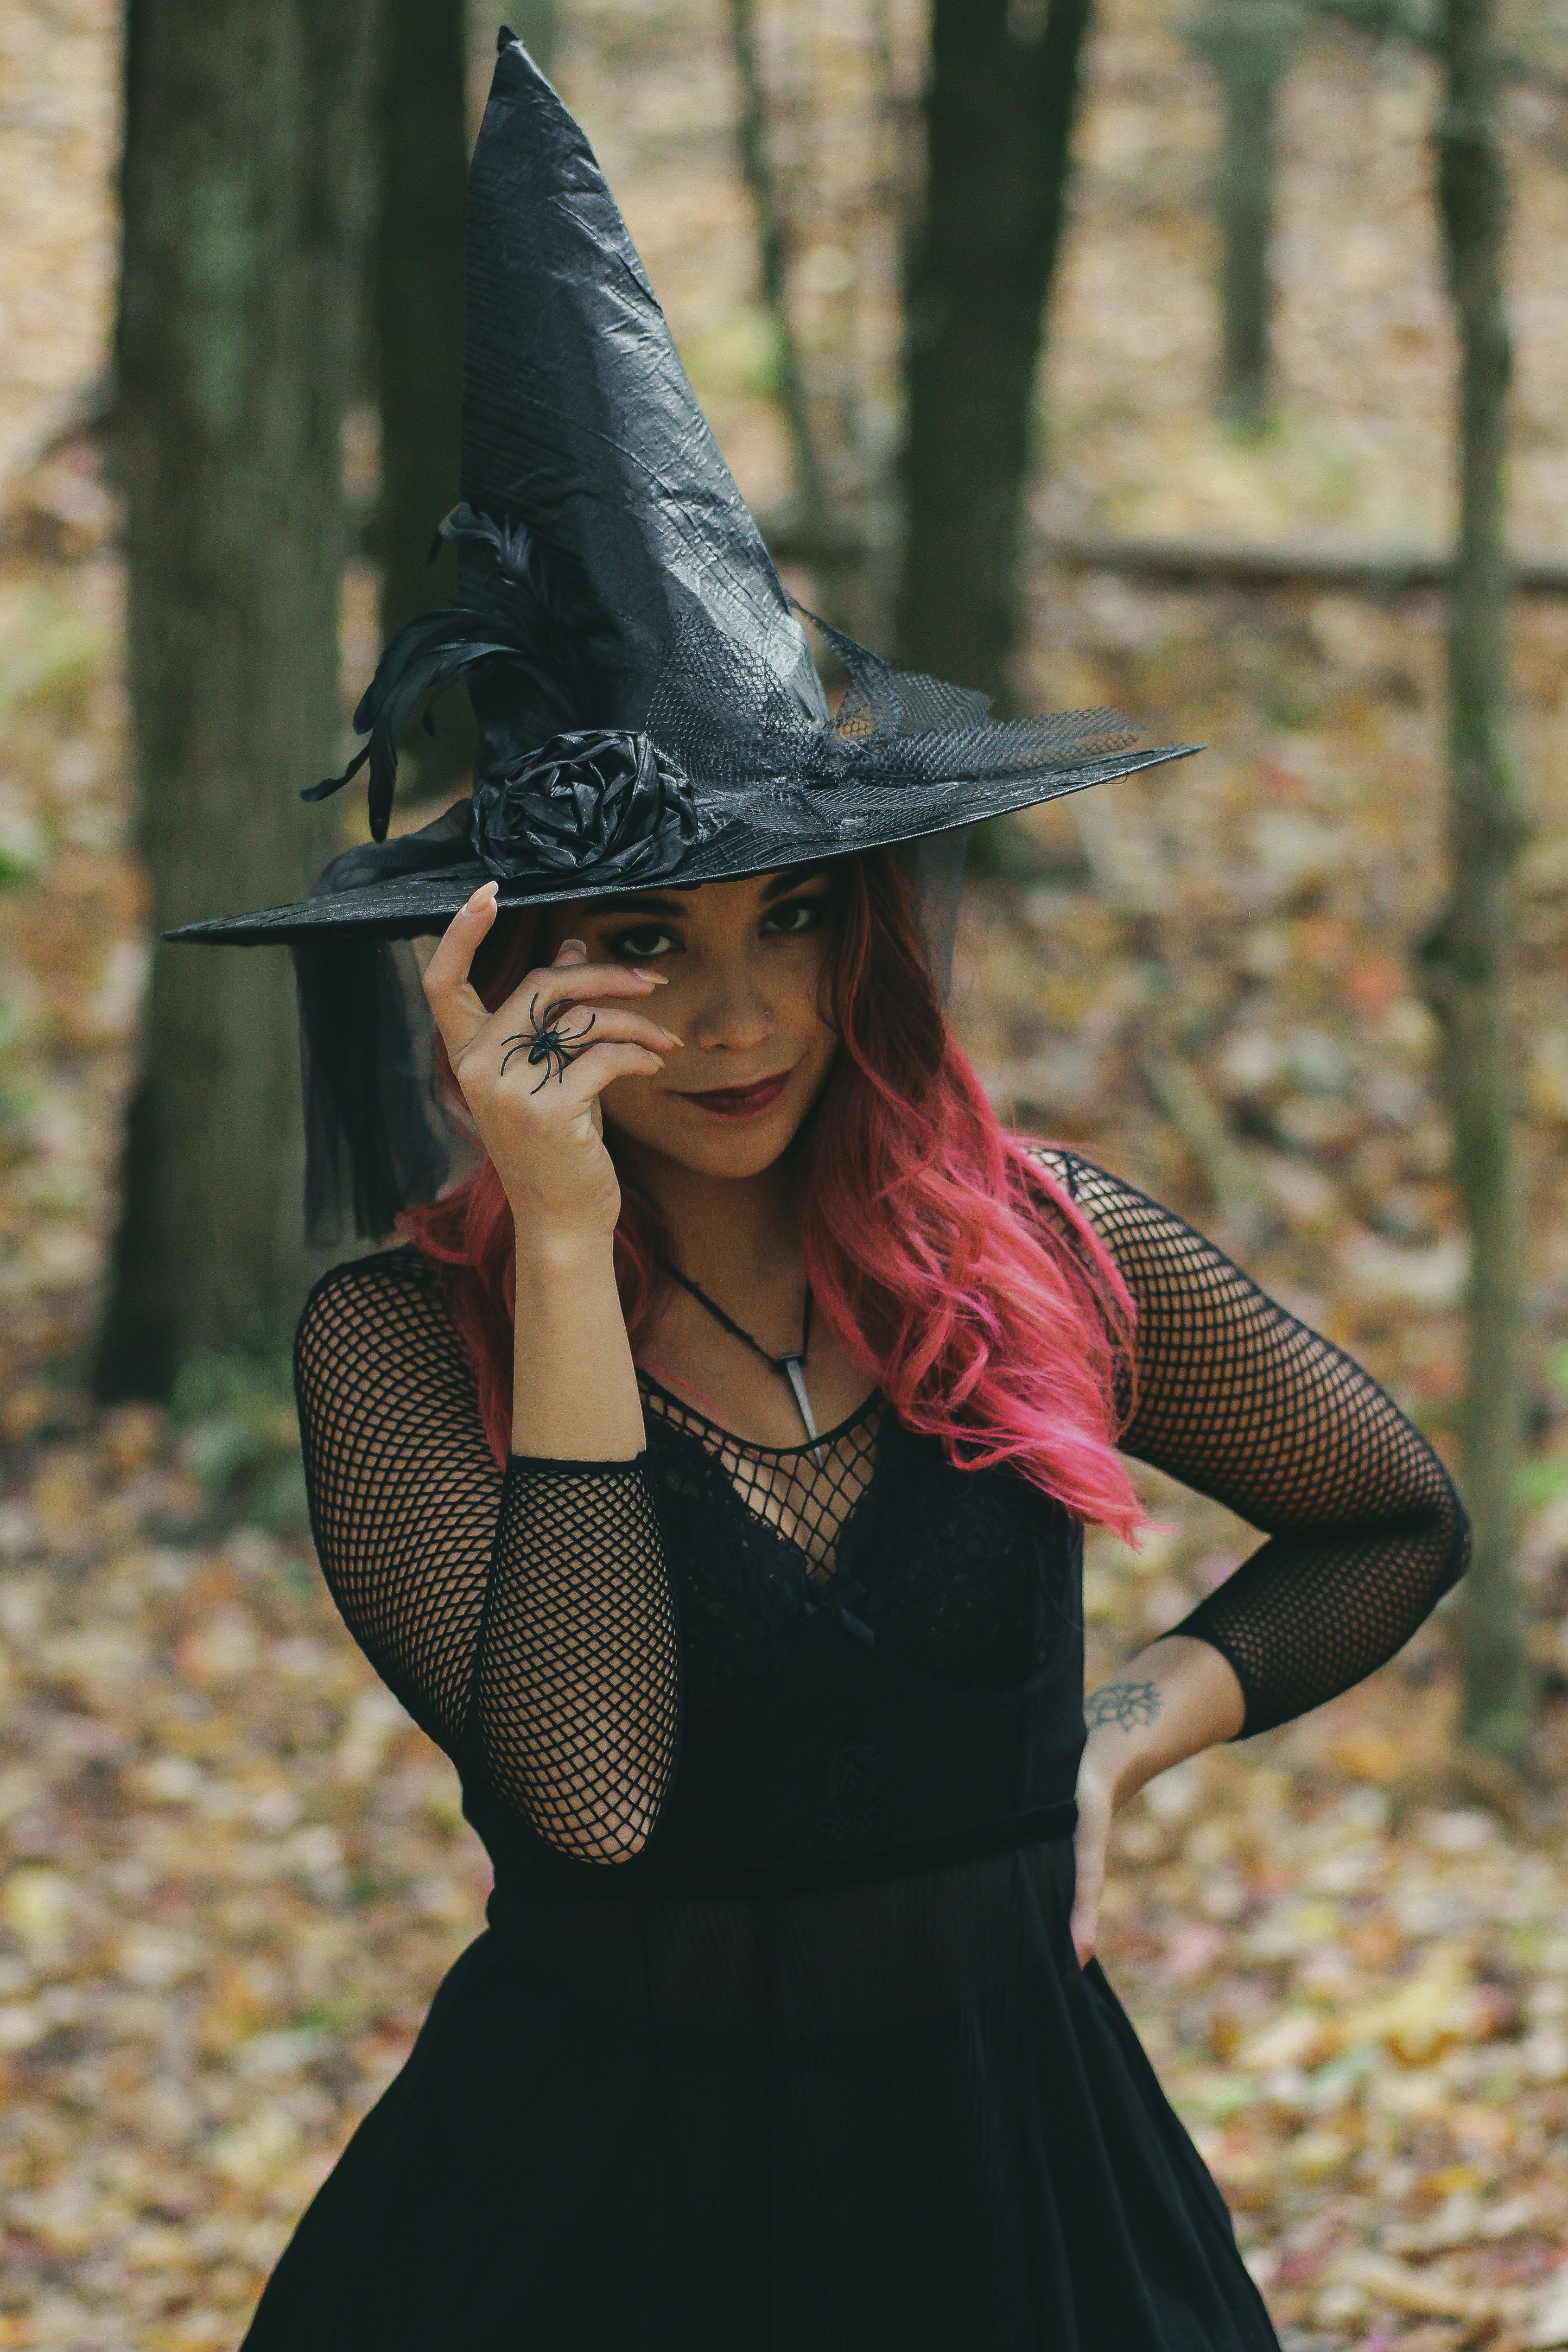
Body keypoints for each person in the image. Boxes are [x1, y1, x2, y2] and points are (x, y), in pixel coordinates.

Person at [172, 34, 1469, 2351]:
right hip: (577, 2233)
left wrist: (1129, 1726)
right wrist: (560, 1246)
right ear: (510, 980)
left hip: (1019, 2197)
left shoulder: (1040, 1247)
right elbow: (585, 1794)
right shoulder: (398, 1344)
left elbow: (1395, 1517)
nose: (752, 1013)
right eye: (651, 943)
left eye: (794, 920)